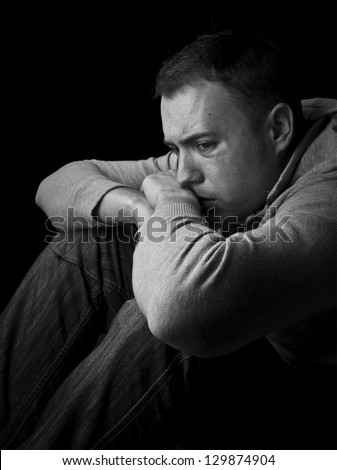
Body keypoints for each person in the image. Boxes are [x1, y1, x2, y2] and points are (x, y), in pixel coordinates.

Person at [0, 30, 336, 450]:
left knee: (170, 311)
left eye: (204, 145)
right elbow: (59, 183)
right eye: (176, 150)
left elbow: (182, 311)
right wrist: (145, 213)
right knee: (95, 239)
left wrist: (172, 201)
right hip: (259, 361)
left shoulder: (330, 185)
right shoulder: (248, 128)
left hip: (312, 420)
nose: (184, 174)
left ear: (280, 128)